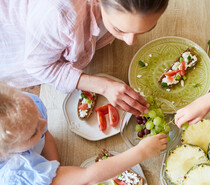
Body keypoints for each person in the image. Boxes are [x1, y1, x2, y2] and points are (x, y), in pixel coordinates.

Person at [0, 84, 168, 185]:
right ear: (7, 152)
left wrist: (52, 179)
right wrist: (141, 152)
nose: (44, 124)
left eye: (38, 116)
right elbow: (88, 176)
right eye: (34, 132)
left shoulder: (22, 109)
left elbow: (46, 134)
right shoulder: (17, 171)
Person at [0, 0, 168, 116]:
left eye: (147, 28)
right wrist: (104, 87)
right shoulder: (58, 14)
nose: (131, 42)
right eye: (119, 29)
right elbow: (39, 67)